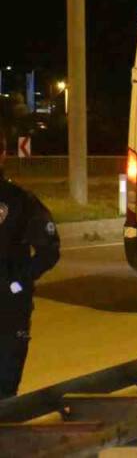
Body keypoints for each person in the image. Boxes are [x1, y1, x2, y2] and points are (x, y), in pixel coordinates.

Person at [0, 129, 61, 398]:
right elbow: (49, 251)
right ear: (4, 155)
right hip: (10, 306)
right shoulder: (21, 199)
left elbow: (49, 251)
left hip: (10, 304)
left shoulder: (20, 200)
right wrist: (17, 283)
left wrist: (16, 284)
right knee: (5, 386)